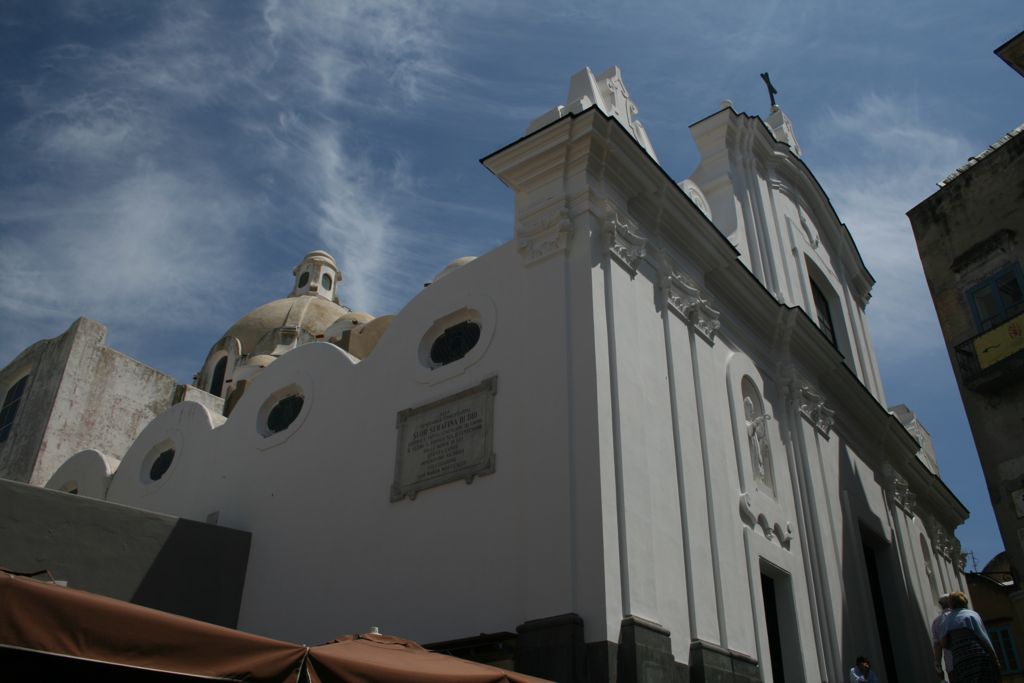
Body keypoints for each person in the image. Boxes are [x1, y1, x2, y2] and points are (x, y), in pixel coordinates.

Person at [939, 591, 1001, 683]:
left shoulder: (946, 620)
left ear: (951, 604)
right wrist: (995, 658)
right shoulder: (972, 615)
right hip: (977, 655)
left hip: (960, 659)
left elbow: (943, 644)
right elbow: (983, 638)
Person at [933, 593, 955, 681]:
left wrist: (938, 667)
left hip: (951, 665)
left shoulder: (937, 622)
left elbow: (937, 647)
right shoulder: (961, 616)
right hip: (969, 660)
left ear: (941, 605)